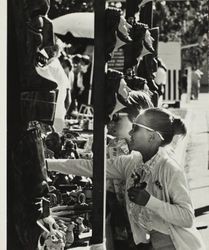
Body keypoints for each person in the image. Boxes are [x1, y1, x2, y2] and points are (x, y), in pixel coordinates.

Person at [46, 108, 205, 250]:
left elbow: (187, 217)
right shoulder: (131, 162)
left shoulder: (169, 169)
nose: (130, 133)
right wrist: (46, 164)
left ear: (152, 137)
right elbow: (91, 167)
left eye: (136, 128)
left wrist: (149, 201)